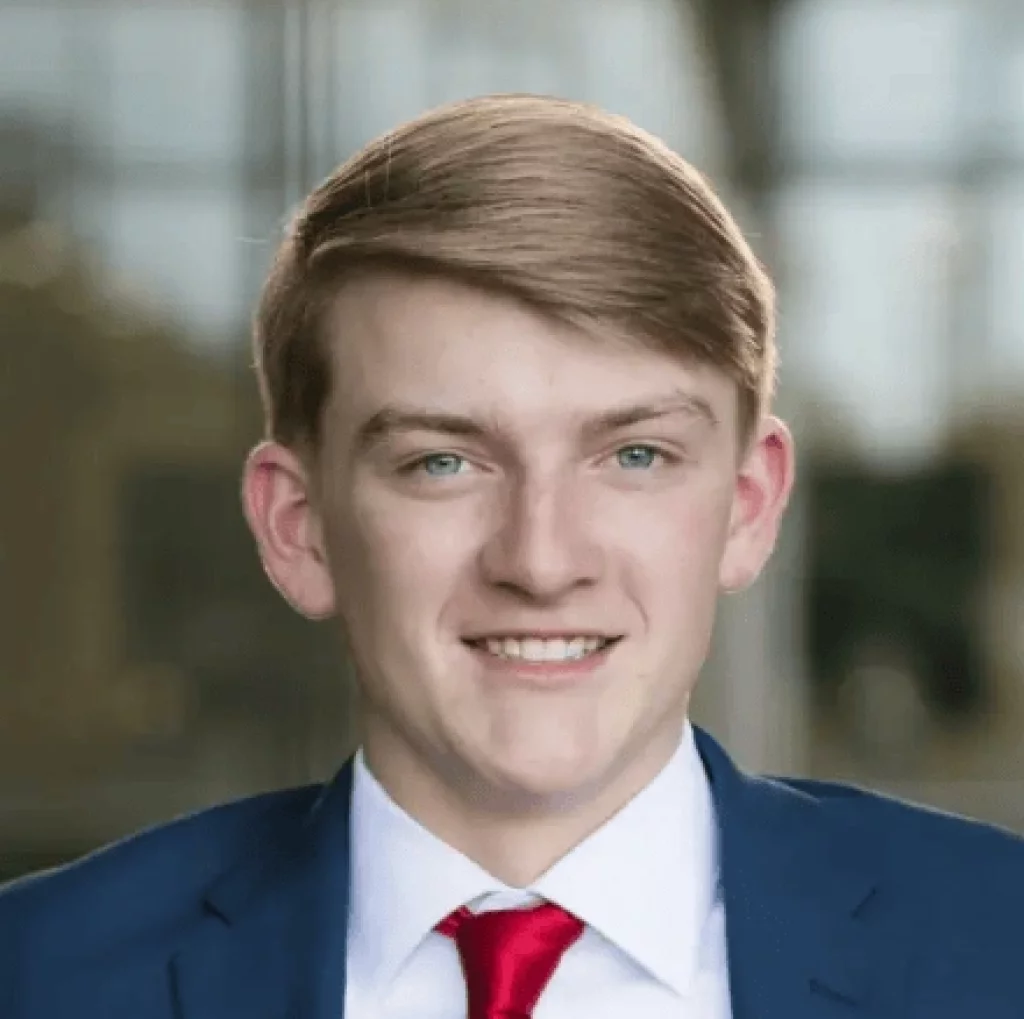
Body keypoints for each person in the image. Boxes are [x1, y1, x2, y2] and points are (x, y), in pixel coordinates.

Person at [2, 94, 1022, 1019]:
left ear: (748, 506)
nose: (540, 559)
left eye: (633, 455)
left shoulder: (996, 951)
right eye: (442, 460)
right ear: (297, 526)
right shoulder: (40, 973)